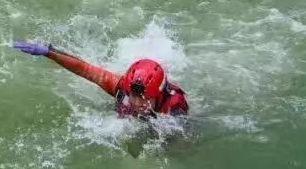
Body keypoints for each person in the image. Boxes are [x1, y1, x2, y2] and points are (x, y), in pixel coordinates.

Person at [13, 41, 188, 119]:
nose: (136, 103)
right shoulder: (122, 86)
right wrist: (49, 53)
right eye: (133, 96)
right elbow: (85, 69)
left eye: (144, 99)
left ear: (158, 95)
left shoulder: (174, 109)